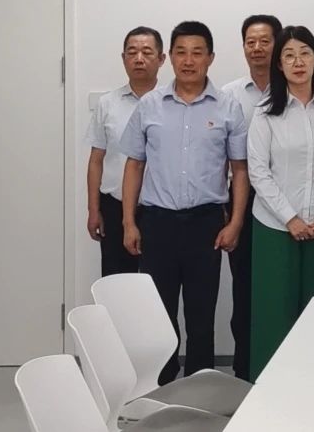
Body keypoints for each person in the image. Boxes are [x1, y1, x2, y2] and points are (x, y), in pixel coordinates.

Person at [120, 21, 249, 384]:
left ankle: (201, 387)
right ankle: (160, 387)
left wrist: (235, 222)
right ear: (170, 57)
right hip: (157, 222)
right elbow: (134, 164)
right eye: (181, 52)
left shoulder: (228, 107)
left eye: (197, 53)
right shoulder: (150, 105)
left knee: (201, 313)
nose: (188, 61)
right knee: (158, 316)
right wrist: (129, 221)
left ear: (210, 58)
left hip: (206, 224)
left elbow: (240, 169)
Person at [247, 26, 314, 381]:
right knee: (274, 315)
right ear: (279, 64)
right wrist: (290, 218)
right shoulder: (265, 113)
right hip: (275, 228)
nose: (298, 61)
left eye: (305, 53)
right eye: (289, 55)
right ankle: (269, 391)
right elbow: (258, 171)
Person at [221, 14, 281, 381]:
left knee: (278, 286)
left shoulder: (292, 88)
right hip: (241, 197)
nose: (257, 49)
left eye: (265, 41)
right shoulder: (228, 95)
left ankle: (279, 368)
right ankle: (244, 370)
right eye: (250, 42)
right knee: (244, 287)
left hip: (284, 200)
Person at [85, 26, 163, 277]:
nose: (139, 59)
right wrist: (93, 209)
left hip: (159, 210)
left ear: (162, 59)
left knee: (158, 284)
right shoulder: (108, 103)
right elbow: (96, 160)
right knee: (117, 282)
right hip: (114, 207)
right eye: (132, 52)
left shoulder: (171, 103)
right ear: (123, 58)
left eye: (147, 52)